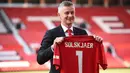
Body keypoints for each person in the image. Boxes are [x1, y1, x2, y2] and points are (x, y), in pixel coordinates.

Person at [37, 1, 102, 73]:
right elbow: (40, 59)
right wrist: (53, 47)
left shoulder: (82, 33)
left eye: (72, 12)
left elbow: (88, 57)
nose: (70, 15)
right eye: (67, 13)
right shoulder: (51, 33)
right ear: (59, 15)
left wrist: (95, 44)